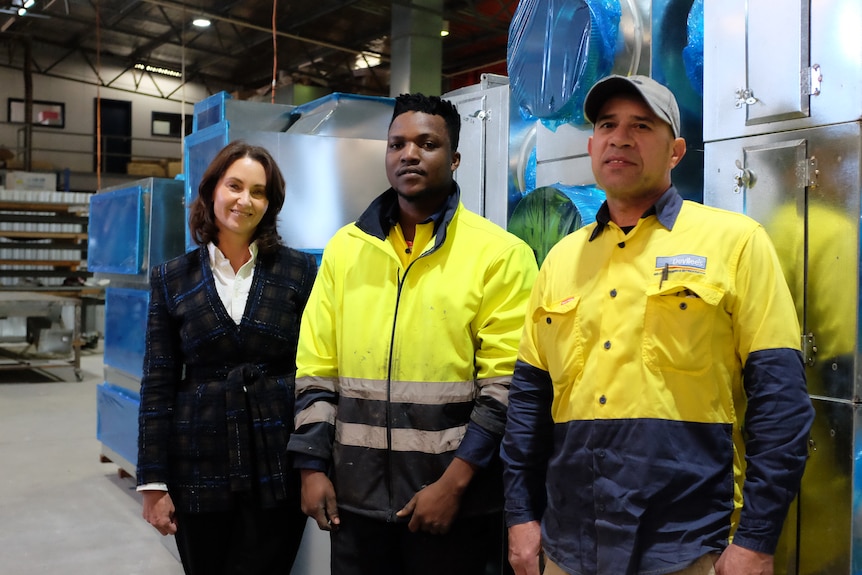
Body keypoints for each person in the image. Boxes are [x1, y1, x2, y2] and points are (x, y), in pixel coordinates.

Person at [501, 75, 815, 575]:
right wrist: (520, 516)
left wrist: (755, 540)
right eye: (608, 125)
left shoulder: (735, 243)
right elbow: (528, 405)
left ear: (676, 151)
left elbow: (782, 405)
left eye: (642, 125)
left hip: (690, 544)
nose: (620, 137)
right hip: (570, 541)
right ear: (591, 145)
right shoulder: (560, 259)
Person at [287, 93, 538, 575]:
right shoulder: (346, 250)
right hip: (356, 504)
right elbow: (316, 369)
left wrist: (454, 485)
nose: (409, 153)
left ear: (455, 158)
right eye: (397, 143)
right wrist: (312, 467)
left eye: (427, 143)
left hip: (451, 509)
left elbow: (506, 387)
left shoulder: (499, 255)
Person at [136, 140, 316, 575]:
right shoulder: (172, 277)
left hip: (276, 459)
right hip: (197, 459)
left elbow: (316, 371)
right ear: (212, 190)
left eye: (258, 191)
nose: (245, 200)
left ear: (270, 203)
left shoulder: (298, 271)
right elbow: (158, 381)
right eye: (234, 185)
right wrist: (152, 483)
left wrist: (315, 463)